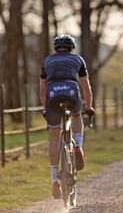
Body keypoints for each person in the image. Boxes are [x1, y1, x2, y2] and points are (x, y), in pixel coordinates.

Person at [40, 34, 94, 199]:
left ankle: (54, 179)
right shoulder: (78, 59)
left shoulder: (47, 61)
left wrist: (45, 109)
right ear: (72, 47)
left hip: (52, 93)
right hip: (71, 90)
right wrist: (88, 107)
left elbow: (42, 91)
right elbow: (86, 87)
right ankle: (78, 145)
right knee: (76, 114)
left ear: (55, 48)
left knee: (54, 136)